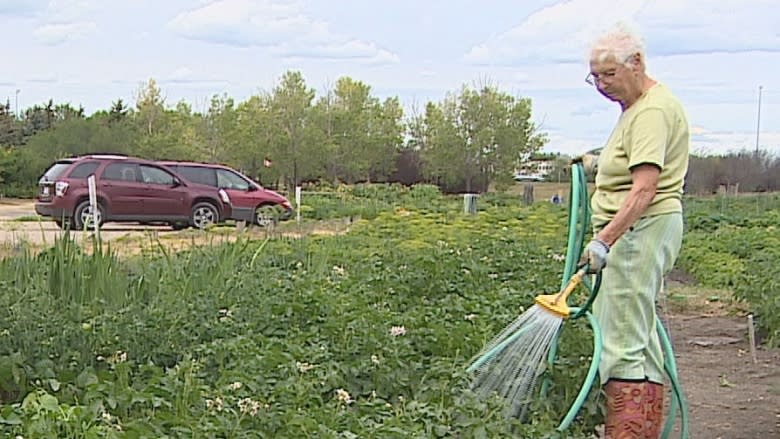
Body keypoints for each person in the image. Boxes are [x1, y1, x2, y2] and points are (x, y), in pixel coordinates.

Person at [576, 22, 690, 439]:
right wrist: (597, 163)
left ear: (636, 63)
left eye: (609, 73)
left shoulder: (651, 112)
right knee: (637, 337)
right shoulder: (639, 108)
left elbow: (644, 188)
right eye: (595, 76)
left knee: (622, 344)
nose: (601, 84)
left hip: (638, 230)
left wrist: (604, 240)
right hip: (637, 230)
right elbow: (629, 167)